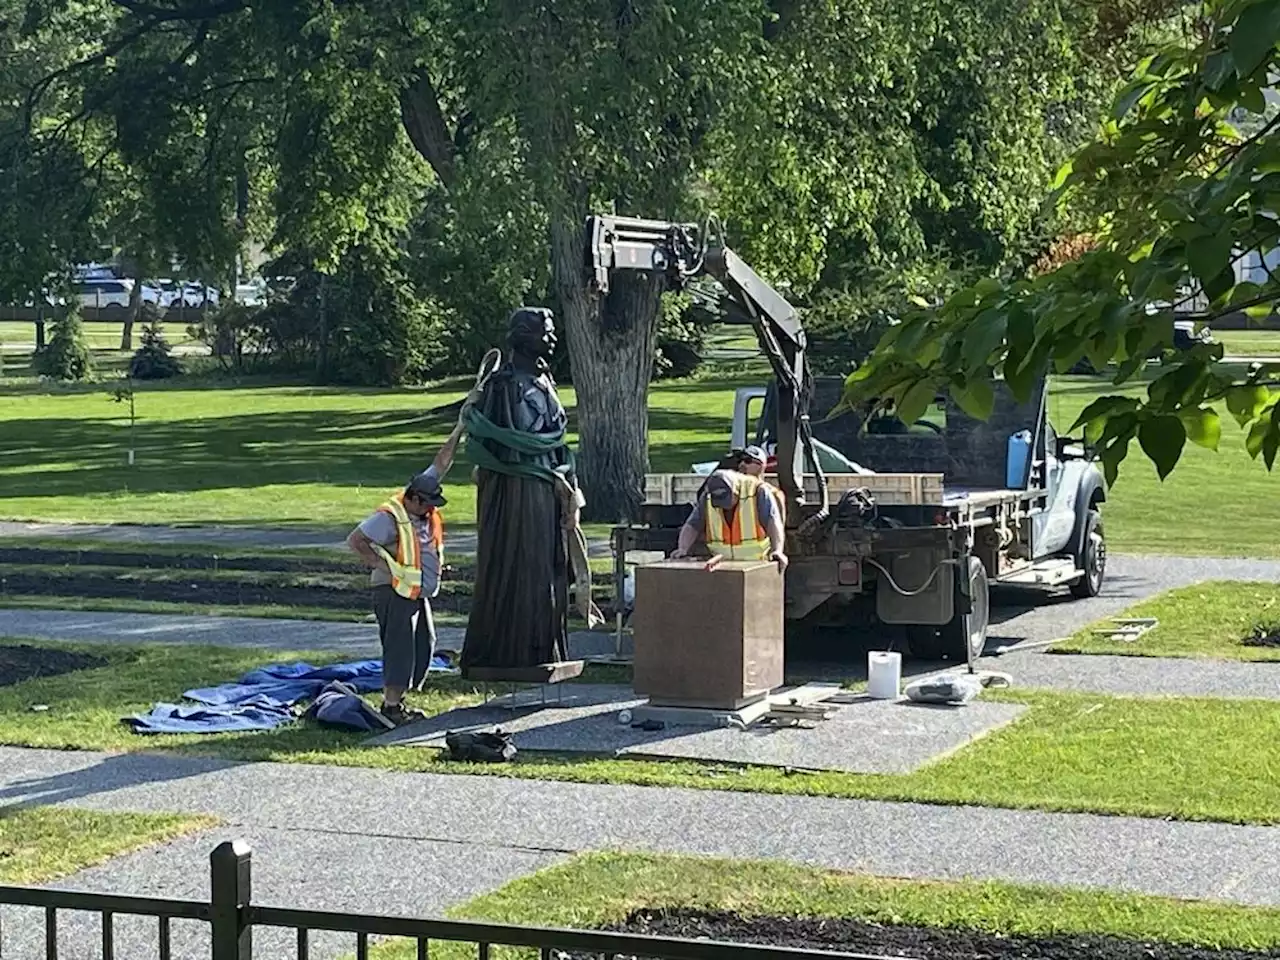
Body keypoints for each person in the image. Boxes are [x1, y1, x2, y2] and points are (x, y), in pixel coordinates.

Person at [461, 307, 596, 674]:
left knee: (550, 566)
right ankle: (513, 651)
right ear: (522, 336)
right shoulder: (504, 385)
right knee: (524, 563)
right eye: (544, 332)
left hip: (548, 487)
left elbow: (553, 440)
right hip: (519, 493)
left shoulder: (544, 380)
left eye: (552, 331)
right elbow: (502, 444)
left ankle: (544, 647)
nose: (551, 339)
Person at [346, 420, 464, 725]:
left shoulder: (424, 492)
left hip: (415, 592)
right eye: (426, 505)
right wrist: (380, 564)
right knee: (400, 648)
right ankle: (391, 706)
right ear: (412, 498)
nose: (430, 510)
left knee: (425, 643)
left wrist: (460, 426)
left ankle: (401, 700)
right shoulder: (388, 519)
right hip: (393, 591)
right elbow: (355, 541)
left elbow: (442, 461)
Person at [671, 468, 788, 572]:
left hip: (757, 566)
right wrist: (683, 548)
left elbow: (772, 521)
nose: (723, 506)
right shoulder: (707, 497)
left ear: (736, 490)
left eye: (726, 500)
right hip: (722, 567)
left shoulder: (757, 492)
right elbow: (693, 524)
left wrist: (777, 550)